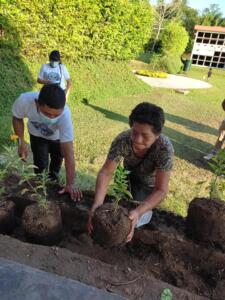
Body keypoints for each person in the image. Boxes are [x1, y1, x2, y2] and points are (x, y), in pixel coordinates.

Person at [88, 102, 174, 242]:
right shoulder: (123, 140)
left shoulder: (164, 149)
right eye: (134, 132)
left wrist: (139, 212)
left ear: (157, 135)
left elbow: (161, 190)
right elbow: (106, 172)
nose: (137, 140)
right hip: (126, 176)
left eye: (145, 136)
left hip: (149, 185)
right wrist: (97, 204)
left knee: (137, 215)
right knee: (118, 206)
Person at [12, 85, 81, 200]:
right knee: (40, 165)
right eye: (47, 113)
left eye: (56, 115)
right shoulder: (24, 100)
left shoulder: (65, 115)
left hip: (57, 139)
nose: (51, 118)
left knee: (56, 164)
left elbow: (69, 152)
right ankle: (40, 190)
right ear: (37, 103)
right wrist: (21, 142)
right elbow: (17, 118)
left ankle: (53, 185)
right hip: (37, 136)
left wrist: (70, 184)